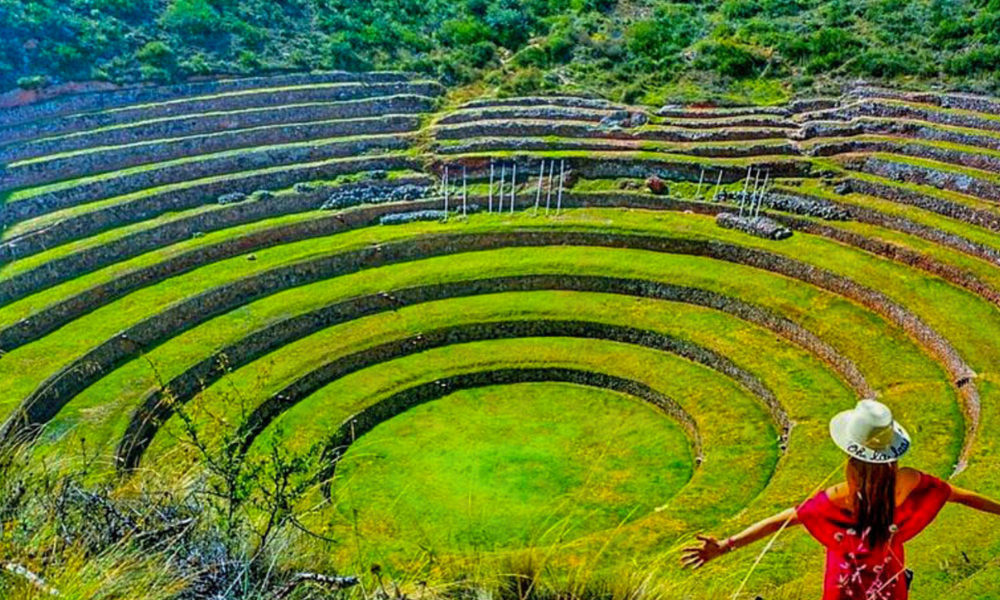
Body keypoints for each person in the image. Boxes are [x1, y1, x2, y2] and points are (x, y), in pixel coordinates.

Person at [681, 399, 1000, 599]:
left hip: (843, 587)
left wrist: (724, 546)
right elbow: (959, 495)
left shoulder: (836, 498)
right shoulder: (907, 481)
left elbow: (781, 520)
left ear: (850, 457)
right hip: (889, 583)